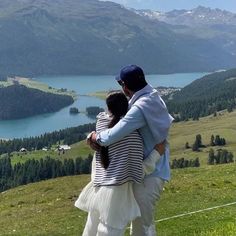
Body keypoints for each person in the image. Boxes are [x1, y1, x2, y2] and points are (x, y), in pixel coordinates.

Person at [89, 65, 174, 236]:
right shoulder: (153, 96)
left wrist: (94, 137)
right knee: (143, 223)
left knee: (141, 225)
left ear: (125, 86)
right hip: (151, 169)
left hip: (149, 174)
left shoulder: (139, 108)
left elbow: (111, 136)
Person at [75, 91, 144, 236]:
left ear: (108, 108)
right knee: (111, 229)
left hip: (98, 184)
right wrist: (157, 153)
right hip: (116, 188)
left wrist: (91, 136)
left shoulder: (101, 124)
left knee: (91, 227)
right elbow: (138, 166)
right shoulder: (131, 136)